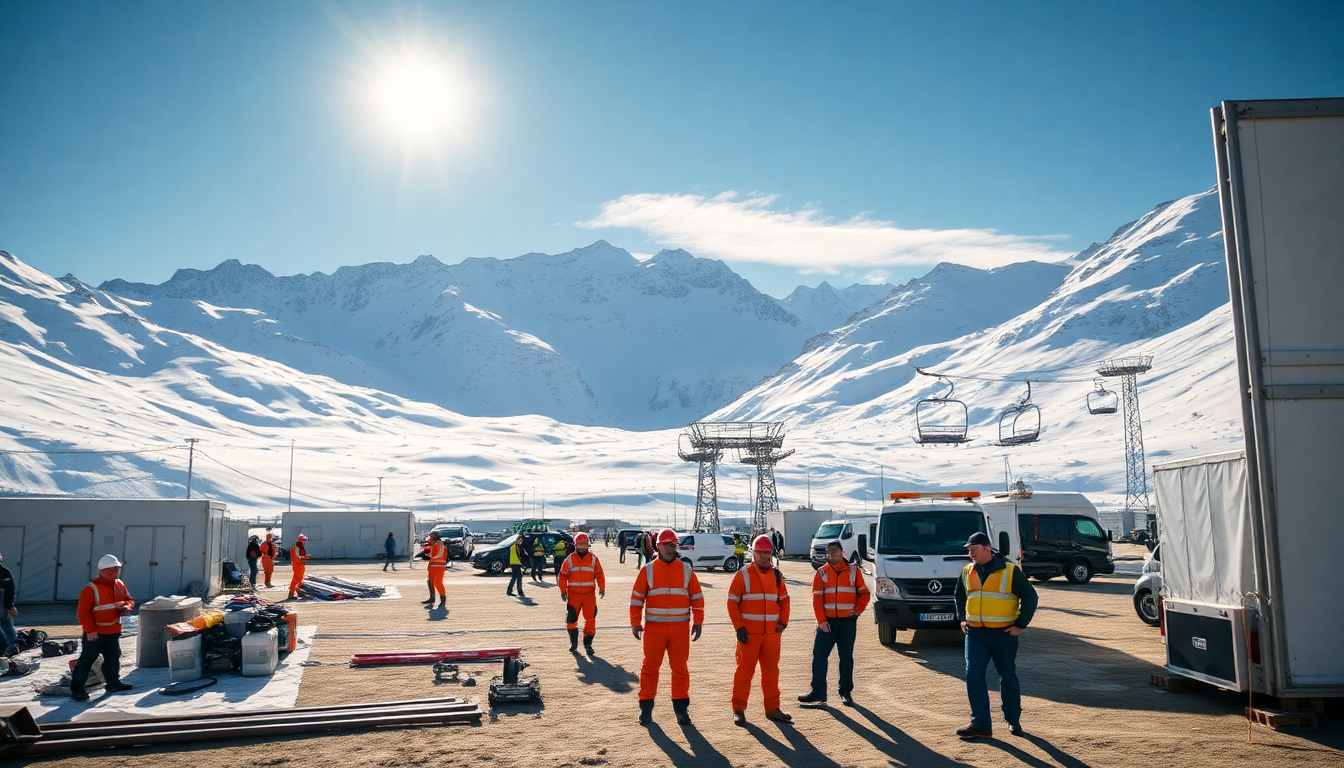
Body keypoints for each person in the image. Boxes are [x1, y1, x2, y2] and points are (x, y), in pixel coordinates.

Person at [954, 531, 1038, 739]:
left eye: (973, 550)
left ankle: (1013, 719)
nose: (970, 554)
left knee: (1007, 676)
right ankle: (981, 724)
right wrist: (962, 619)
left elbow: (1030, 596)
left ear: (986, 548)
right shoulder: (967, 571)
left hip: (1003, 634)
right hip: (975, 634)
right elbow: (959, 595)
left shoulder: (1010, 570)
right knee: (973, 675)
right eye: (969, 551)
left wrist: (1020, 625)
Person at [630, 528, 704, 726]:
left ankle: (681, 710)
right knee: (650, 668)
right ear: (658, 546)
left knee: (680, 670)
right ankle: (645, 708)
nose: (671, 549)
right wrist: (635, 623)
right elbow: (636, 600)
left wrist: (698, 621)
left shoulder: (686, 570)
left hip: (680, 630)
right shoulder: (648, 570)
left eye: (673, 545)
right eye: (667, 545)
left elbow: (697, 598)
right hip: (654, 630)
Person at [727, 534, 791, 726]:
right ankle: (738, 709)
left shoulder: (777, 576)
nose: (763, 556)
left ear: (771, 553)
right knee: (744, 672)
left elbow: (784, 600)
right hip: (748, 635)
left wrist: (783, 622)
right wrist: (739, 627)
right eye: (759, 552)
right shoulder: (743, 575)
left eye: (766, 553)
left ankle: (772, 708)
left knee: (771, 672)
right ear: (753, 553)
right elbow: (732, 602)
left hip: (772, 634)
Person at [799, 540, 871, 707]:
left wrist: (857, 612)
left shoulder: (854, 571)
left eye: (835, 551)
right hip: (827, 623)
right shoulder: (821, 573)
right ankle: (818, 692)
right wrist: (821, 621)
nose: (832, 554)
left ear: (842, 552)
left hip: (847, 622)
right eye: (829, 551)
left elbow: (864, 594)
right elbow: (817, 599)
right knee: (819, 656)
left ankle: (845, 692)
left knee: (846, 658)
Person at [70, 554, 135, 701]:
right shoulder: (91, 589)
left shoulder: (119, 584)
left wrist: (127, 607)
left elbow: (129, 599)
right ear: (102, 570)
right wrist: (90, 631)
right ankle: (77, 689)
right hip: (96, 633)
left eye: (117, 569)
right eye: (111, 570)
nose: (115, 572)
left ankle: (113, 683)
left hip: (112, 631)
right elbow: (82, 613)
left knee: (113, 657)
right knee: (87, 660)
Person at [559, 532, 606, 653]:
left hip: (589, 595)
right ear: (575, 545)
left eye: (584, 545)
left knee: (590, 619)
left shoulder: (593, 559)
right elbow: (563, 576)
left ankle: (588, 644)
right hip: (573, 595)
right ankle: (573, 643)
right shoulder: (570, 559)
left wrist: (602, 588)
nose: (582, 548)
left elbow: (599, 574)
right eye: (580, 545)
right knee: (571, 620)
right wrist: (563, 590)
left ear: (587, 545)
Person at [422, 532, 447, 609]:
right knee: (430, 582)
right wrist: (426, 552)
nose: (430, 539)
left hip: (439, 567)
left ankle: (443, 598)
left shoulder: (440, 544)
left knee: (438, 583)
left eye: (431, 537)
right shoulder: (433, 545)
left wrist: (430, 556)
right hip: (432, 567)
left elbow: (438, 555)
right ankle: (432, 598)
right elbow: (432, 554)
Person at [0, 553, 17, 657]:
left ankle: (12, 647)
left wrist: (10, 605)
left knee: (6, 625)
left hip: (4, 606)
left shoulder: (4, 573)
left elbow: (10, 590)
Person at [287, 534, 311, 600]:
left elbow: (300, 556)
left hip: (300, 564)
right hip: (297, 564)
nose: (303, 542)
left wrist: (305, 556)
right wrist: (305, 557)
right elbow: (298, 557)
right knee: (296, 579)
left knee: (300, 578)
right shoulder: (296, 548)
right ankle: (291, 593)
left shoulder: (298, 547)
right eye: (303, 541)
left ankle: (296, 592)